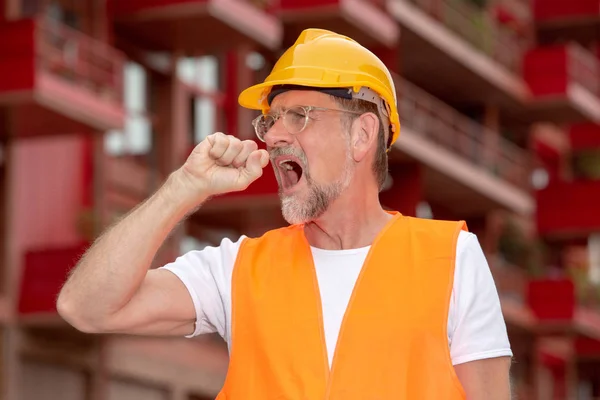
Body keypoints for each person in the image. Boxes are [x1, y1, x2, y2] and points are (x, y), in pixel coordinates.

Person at [57, 28, 513, 399]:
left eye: (299, 116)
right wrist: (183, 189)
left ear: (362, 135)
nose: (273, 136)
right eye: (269, 121)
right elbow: (85, 307)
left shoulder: (452, 259)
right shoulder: (234, 270)